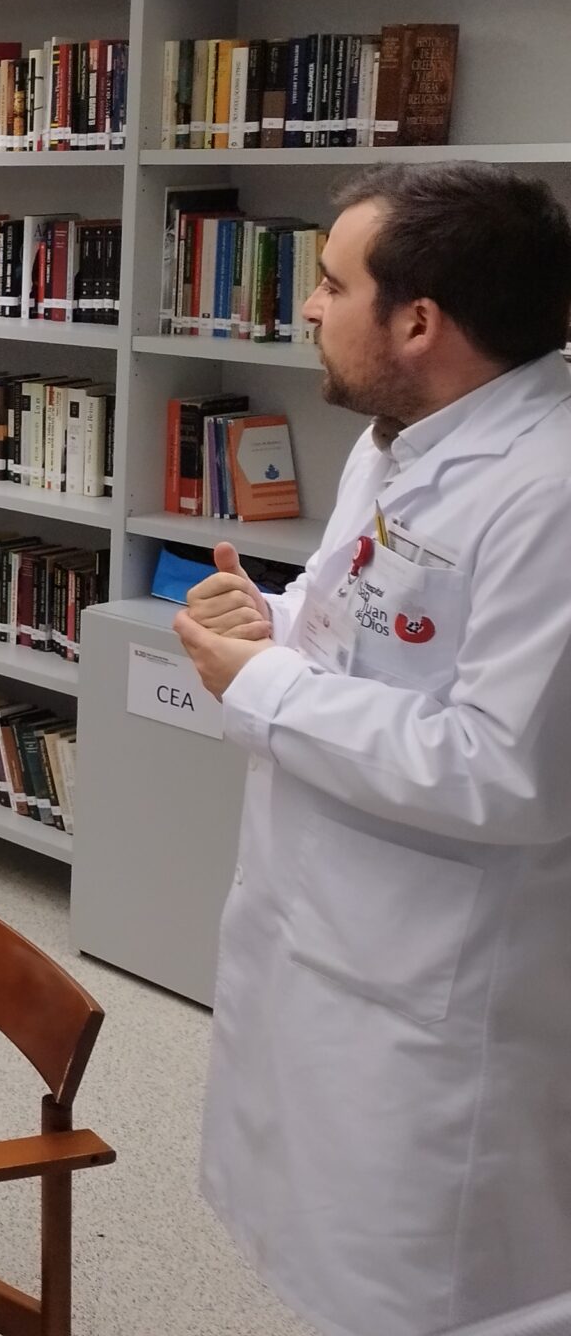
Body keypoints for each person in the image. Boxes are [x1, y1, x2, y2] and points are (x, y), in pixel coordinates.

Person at [173, 162, 571, 1336]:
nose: (305, 306)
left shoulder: (547, 491)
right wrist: (278, 622)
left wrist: (267, 685)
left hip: (439, 980)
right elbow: (376, 620)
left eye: (329, 282)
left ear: (415, 321)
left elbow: (505, 766)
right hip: (330, 918)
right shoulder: (400, 437)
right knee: (325, 1246)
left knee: (435, 1290)